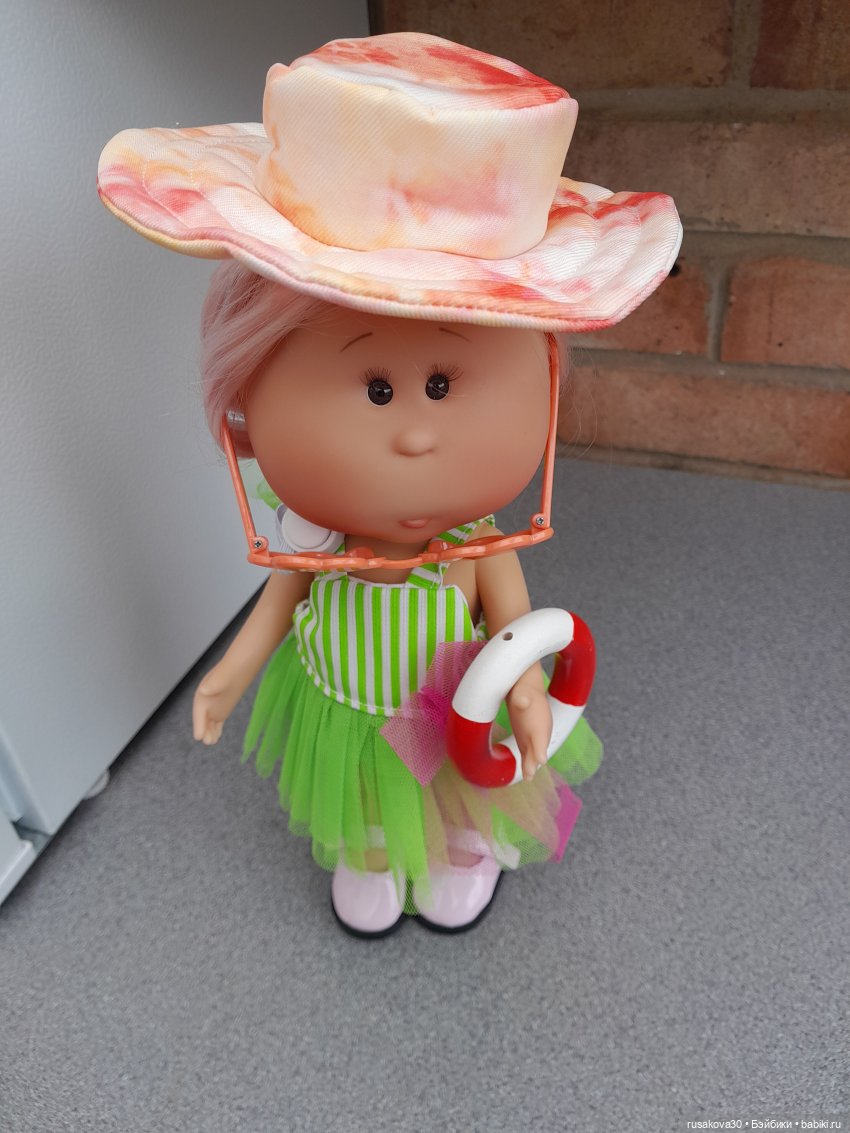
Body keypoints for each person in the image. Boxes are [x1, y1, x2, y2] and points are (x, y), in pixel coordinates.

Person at [98, 31, 681, 936]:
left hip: (447, 713)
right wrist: (229, 674)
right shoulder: (318, 543)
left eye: (443, 384)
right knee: (362, 805)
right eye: (377, 389)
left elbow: (514, 625)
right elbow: (278, 607)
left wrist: (526, 689)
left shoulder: (475, 543)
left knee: (448, 795)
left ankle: (456, 848)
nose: (414, 432)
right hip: (345, 713)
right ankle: (370, 851)